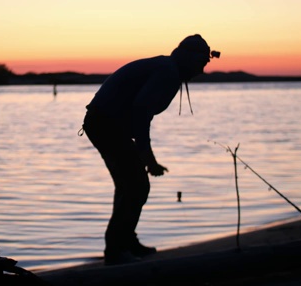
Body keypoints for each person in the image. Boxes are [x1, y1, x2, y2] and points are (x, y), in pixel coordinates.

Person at [82, 34, 219, 265]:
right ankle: (116, 251)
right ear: (188, 58)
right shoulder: (167, 72)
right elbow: (141, 114)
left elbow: (138, 116)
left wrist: (143, 155)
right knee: (136, 186)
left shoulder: (169, 69)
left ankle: (126, 242)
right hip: (105, 125)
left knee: (131, 185)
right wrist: (148, 158)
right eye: (201, 64)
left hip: (110, 125)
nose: (202, 71)